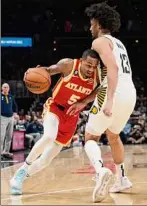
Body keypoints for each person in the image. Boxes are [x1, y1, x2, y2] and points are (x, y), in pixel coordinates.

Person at [10, 49, 100, 195]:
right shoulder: (69, 65)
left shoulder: (97, 76)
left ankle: (18, 178)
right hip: (55, 108)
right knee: (49, 136)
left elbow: (101, 90)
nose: (90, 69)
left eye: (93, 66)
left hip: (71, 116)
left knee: (46, 160)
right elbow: (49, 70)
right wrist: (37, 72)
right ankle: (23, 168)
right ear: (81, 61)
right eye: (88, 65)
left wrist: (83, 102)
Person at [81, 2, 136, 202]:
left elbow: (112, 69)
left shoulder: (100, 42)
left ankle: (101, 170)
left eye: (91, 23)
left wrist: (110, 99)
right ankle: (122, 179)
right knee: (113, 135)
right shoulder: (118, 43)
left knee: (89, 137)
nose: (89, 28)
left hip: (114, 91)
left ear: (98, 23)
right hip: (130, 92)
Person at [1, 83, 18, 159]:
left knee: (9, 136)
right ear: (2, 88)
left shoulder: (11, 97)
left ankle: (6, 152)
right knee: (1, 136)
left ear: (9, 89)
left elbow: (15, 106)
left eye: (7, 87)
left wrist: (15, 114)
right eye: (4, 87)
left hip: (11, 118)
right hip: (2, 117)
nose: (6, 88)